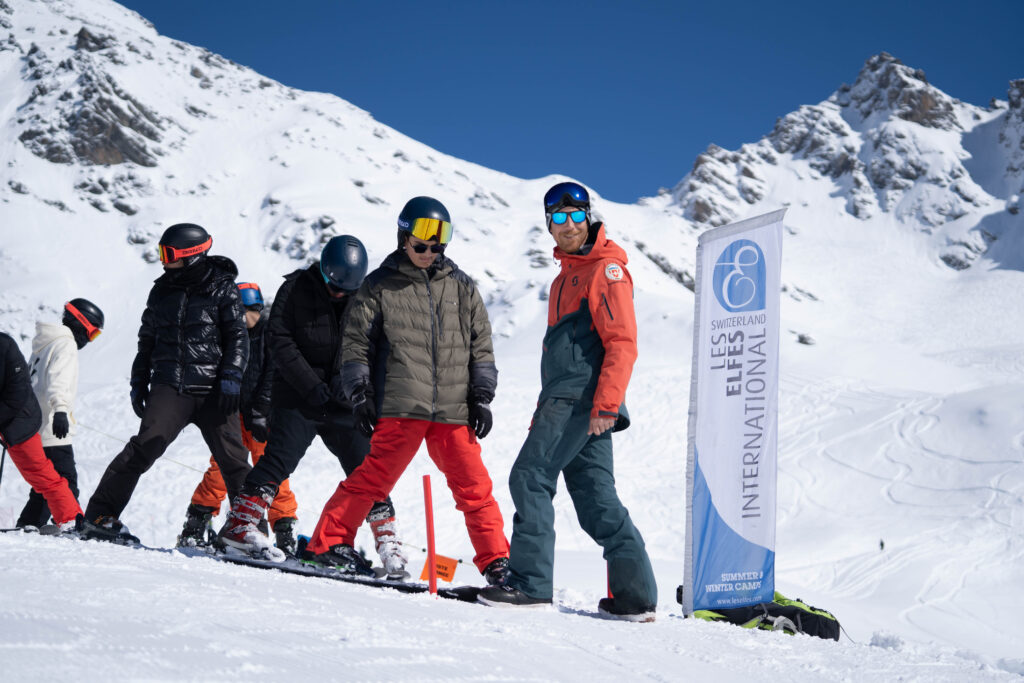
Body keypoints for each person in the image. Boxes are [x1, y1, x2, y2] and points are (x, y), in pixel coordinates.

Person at [302, 196, 510, 585]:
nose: (430, 251)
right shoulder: (379, 285)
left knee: (475, 488)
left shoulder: (463, 288)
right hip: (401, 404)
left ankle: (497, 562)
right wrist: (360, 394)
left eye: (439, 241)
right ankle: (328, 544)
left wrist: (481, 396)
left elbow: (481, 346)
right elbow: (356, 344)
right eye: (421, 242)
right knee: (372, 480)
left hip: (453, 408)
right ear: (403, 238)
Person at [477, 181, 658, 622]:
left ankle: (530, 583)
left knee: (530, 476)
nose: (568, 225)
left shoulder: (605, 271)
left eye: (576, 215)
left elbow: (622, 343)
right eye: (558, 218)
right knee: (597, 499)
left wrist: (606, 405)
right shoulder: (567, 275)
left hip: (582, 400)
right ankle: (635, 598)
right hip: (572, 401)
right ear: (549, 224)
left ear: (589, 216)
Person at [217, 236, 406, 573]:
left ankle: (387, 543)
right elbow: (280, 342)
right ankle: (240, 524)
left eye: (345, 290)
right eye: (334, 287)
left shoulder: (366, 299)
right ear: (323, 269)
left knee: (369, 469)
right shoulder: (296, 289)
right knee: (277, 461)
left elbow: (374, 351)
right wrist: (312, 387)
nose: (338, 294)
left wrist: (363, 398)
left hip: (344, 400)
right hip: (299, 397)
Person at [81, 223, 250, 543]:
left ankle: (246, 530)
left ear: (190, 256)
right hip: (171, 387)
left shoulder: (222, 288)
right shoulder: (162, 291)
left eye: (168, 254)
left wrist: (231, 376)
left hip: (214, 389)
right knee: (144, 447)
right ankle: (99, 516)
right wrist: (138, 380)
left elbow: (238, 338)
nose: (162, 260)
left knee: (234, 460)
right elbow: (148, 341)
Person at [176, 282, 300, 552]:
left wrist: (262, 411)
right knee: (220, 470)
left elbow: (273, 373)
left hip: (263, 419)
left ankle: (285, 532)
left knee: (272, 476)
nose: (239, 319)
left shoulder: (269, 333)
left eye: (243, 312)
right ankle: (197, 523)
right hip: (231, 417)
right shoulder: (227, 336)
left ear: (255, 309)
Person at [16, 299, 104, 528]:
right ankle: (72, 525)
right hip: (54, 427)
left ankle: (28, 525)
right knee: (65, 482)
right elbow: (58, 381)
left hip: (37, 424)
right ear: (82, 323)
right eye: (93, 333)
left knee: (46, 486)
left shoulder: (45, 344)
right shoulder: (65, 344)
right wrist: (62, 411)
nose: (90, 340)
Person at [1, 331, 82, 530]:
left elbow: (17, 393)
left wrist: (61, 409)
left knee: (43, 475)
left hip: (21, 422)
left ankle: (72, 518)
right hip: (10, 423)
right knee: (41, 477)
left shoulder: (4, 346)